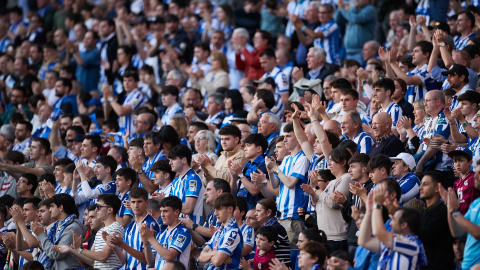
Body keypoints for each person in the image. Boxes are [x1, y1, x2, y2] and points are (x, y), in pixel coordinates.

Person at [358, 184, 428, 270]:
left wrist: (377, 205)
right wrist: (369, 211)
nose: (390, 223)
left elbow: (379, 233)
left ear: (404, 225)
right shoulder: (393, 243)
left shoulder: (412, 243)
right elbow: (364, 241)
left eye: (394, 219)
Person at [264, 123, 309, 249]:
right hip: (282, 216)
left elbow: (290, 183)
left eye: (288, 136)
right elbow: (275, 185)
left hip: (294, 217)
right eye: (284, 136)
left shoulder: (303, 158)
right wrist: (270, 171)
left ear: (298, 137)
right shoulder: (287, 159)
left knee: (292, 253)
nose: (285, 140)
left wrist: (276, 169)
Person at [55, 193, 124, 269]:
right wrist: (72, 250)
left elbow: (103, 257)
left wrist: (79, 249)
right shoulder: (101, 231)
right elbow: (92, 261)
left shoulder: (115, 228)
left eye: (99, 207)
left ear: (110, 210)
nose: (96, 210)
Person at [104, 187, 160, 270]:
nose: (136, 205)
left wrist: (122, 244)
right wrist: (115, 247)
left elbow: (148, 261)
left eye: (139, 202)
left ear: (146, 203)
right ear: (129, 204)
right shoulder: (129, 227)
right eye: (133, 202)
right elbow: (124, 261)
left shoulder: (151, 225)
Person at [35, 194, 86, 270]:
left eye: (52, 206)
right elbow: (48, 251)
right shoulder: (56, 226)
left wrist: (41, 235)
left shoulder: (73, 227)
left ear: (61, 208)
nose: (49, 210)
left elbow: (57, 254)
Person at [418, 170, 456, 270]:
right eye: (421, 184)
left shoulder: (444, 212)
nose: (420, 188)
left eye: (425, 184)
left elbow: (425, 235)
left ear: (437, 188)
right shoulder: (421, 212)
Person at [141, 196, 191, 269]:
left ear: (176, 212)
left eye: (165, 211)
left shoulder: (183, 232)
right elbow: (151, 262)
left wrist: (151, 238)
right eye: (161, 211)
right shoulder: (161, 234)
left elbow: (169, 256)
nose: (162, 215)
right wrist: (146, 243)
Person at [447, 159, 480, 270]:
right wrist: (450, 208)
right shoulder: (476, 203)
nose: (475, 176)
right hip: (466, 265)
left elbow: (477, 233)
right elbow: (457, 232)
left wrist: (455, 212)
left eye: (479, 173)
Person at [199, 193, 244, 269]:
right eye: (215, 209)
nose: (215, 213)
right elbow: (201, 257)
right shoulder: (219, 231)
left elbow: (217, 261)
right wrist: (215, 253)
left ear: (230, 209)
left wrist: (210, 254)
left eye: (219, 209)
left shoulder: (233, 233)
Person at [181, 178, 231, 246]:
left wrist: (193, 225)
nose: (205, 193)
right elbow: (202, 242)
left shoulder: (230, 211)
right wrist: (189, 228)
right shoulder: (211, 216)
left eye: (208, 189)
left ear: (219, 191)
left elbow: (220, 233)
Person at [229, 133, 268, 210]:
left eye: (248, 145)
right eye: (245, 146)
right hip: (241, 208)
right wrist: (234, 177)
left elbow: (254, 190)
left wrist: (240, 174)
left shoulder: (264, 165)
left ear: (258, 149)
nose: (245, 149)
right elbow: (233, 192)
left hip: (254, 210)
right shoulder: (248, 165)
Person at [169, 145, 205, 225]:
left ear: (184, 160)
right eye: (169, 160)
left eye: (173, 159)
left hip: (192, 228)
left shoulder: (193, 179)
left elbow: (188, 208)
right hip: (177, 226)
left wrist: (164, 201)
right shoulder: (175, 181)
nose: (170, 163)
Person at [255, 199, 291, 267]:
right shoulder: (262, 228)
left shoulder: (277, 228)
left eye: (258, 211)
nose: (255, 214)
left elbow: (264, 250)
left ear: (268, 212)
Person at [448, 147, 479, 214]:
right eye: (455, 161)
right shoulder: (456, 183)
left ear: (470, 162)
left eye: (461, 161)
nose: (457, 164)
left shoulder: (475, 177)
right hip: (460, 218)